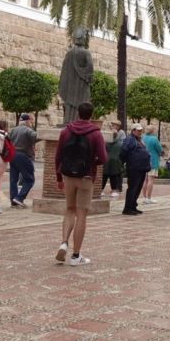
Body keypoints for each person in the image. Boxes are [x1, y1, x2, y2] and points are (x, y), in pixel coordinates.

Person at [54, 100, 108, 266]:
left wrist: (59, 178)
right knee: (81, 215)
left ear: (78, 113)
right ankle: (76, 256)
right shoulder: (96, 133)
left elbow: (58, 156)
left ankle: (64, 242)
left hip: (68, 176)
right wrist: (92, 163)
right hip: (85, 177)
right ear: (91, 115)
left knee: (69, 210)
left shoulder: (66, 131)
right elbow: (103, 158)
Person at [59, 28, 94, 124]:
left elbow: (64, 71)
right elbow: (90, 67)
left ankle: (68, 121)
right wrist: (86, 77)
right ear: (83, 39)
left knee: (71, 104)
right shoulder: (86, 53)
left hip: (71, 86)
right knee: (82, 103)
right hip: (82, 86)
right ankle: (80, 122)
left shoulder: (69, 53)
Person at [119, 123, 151, 215]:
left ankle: (133, 206)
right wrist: (125, 161)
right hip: (134, 168)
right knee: (133, 188)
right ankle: (128, 208)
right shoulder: (129, 139)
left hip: (141, 168)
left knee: (137, 188)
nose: (140, 132)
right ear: (133, 131)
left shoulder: (139, 140)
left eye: (141, 130)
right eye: (138, 130)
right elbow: (123, 151)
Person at [8, 113, 38, 207]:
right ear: (27, 121)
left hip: (12, 155)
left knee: (13, 180)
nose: (31, 123)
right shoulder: (28, 130)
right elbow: (36, 137)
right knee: (29, 179)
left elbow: (8, 139)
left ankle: (13, 200)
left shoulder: (13, 130)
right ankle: (19, 198)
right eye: (31, 121)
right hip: (24, 155)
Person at [101, 127, 125, 199]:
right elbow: (122, 154)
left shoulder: (105, 143)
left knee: (104, 176)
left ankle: (101, 190)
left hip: (106, 161)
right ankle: (114, 191)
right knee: (114, 176)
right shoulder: (120, 144)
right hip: (115, 162)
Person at [141, 127, 163, 205]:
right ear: (153, 131)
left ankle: (144, 198)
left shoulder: (143, 138)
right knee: (150, 180)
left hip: (144, 160)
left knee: (145, 180)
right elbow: (160, 149)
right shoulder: (154, 139)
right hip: (153, 161)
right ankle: (149, 198)